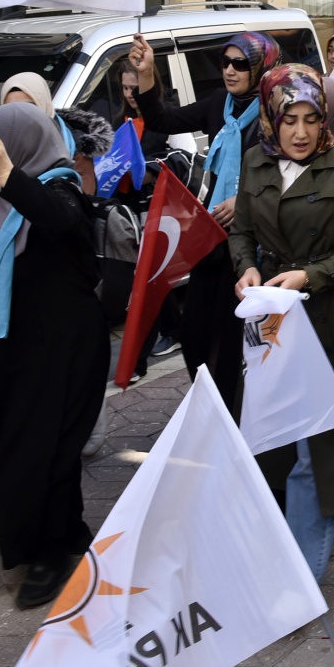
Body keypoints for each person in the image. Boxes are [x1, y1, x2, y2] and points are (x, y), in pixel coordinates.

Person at [231, 65, 334, 580]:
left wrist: (308, 276)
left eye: (311, 119)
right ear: (272, 117)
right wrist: (246, 268)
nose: (300, 131)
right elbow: (242, 232)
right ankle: (318, 532)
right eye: (289, 118)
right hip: (274, 322)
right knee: (281, 441)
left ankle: (296, 580)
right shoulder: (255, 161)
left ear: (324, 120)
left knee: (320, 449)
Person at [0, 104, 108, 608]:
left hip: (59, 354)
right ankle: (65, 532)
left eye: (0, 145)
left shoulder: (60, 185)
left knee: (45, 451)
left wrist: (8, 176)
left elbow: (60, 220)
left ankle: (47, 554)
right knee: (27, 448)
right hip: (11, 354)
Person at [130, 30, 280, 414]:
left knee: (232, 339)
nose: (229, 71)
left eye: (240, 64)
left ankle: (227, 418)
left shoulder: (275, 112)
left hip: (251, 240)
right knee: (194, 333)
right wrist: (147, 73)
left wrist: (244, 198)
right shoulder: (219, 103)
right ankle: (211, 399)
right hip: (209, 234)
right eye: (224, 62)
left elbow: (286, 172)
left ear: (261, 66)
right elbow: (162, 119)